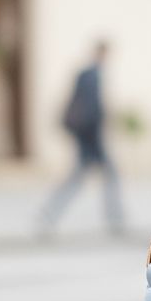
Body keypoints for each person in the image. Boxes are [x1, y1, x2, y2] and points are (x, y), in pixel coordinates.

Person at [39, 40, 125, 233]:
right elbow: (93, 110)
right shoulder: (92, 76)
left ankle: (50, 213)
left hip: (87, 137)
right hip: (91, 139)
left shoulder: (86, 74)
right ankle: (115, 218)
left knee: (79, 179)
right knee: (97, 177)